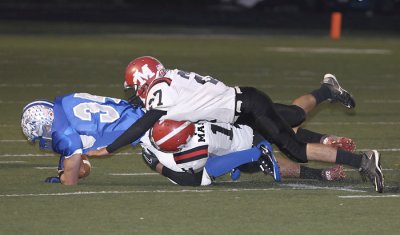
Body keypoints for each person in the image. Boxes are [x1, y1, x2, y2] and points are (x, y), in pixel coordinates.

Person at [87, 56, 384, 192]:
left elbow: (145, 123)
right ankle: (328, 90)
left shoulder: (159, 92)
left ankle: (362, 161)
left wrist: (109, 149)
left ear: (143, 81)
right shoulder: (170, 77)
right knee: (293, 117)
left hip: (247, 109)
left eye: (134, 86)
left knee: (294, 148)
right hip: (243, 106)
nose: (136, 93)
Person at [20, 92, 279, 185]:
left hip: (152, 131)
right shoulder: (66, 101)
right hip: (144, 116)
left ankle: (254, 154)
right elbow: (82, 160)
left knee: (194, 178)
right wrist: (70, 167)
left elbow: (74, 175)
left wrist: (67, 177)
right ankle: (235, 156)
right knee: (200, 141)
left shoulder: (64, 134)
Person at [141, 119, 346, 186]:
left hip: (245, 146)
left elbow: (197, 180)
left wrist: (158, 166)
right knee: (277, 129)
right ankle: (322, 138)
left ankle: (321, 174)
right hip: (242, 129)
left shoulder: (195, 150)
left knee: (210, 170)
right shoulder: (191, 119)